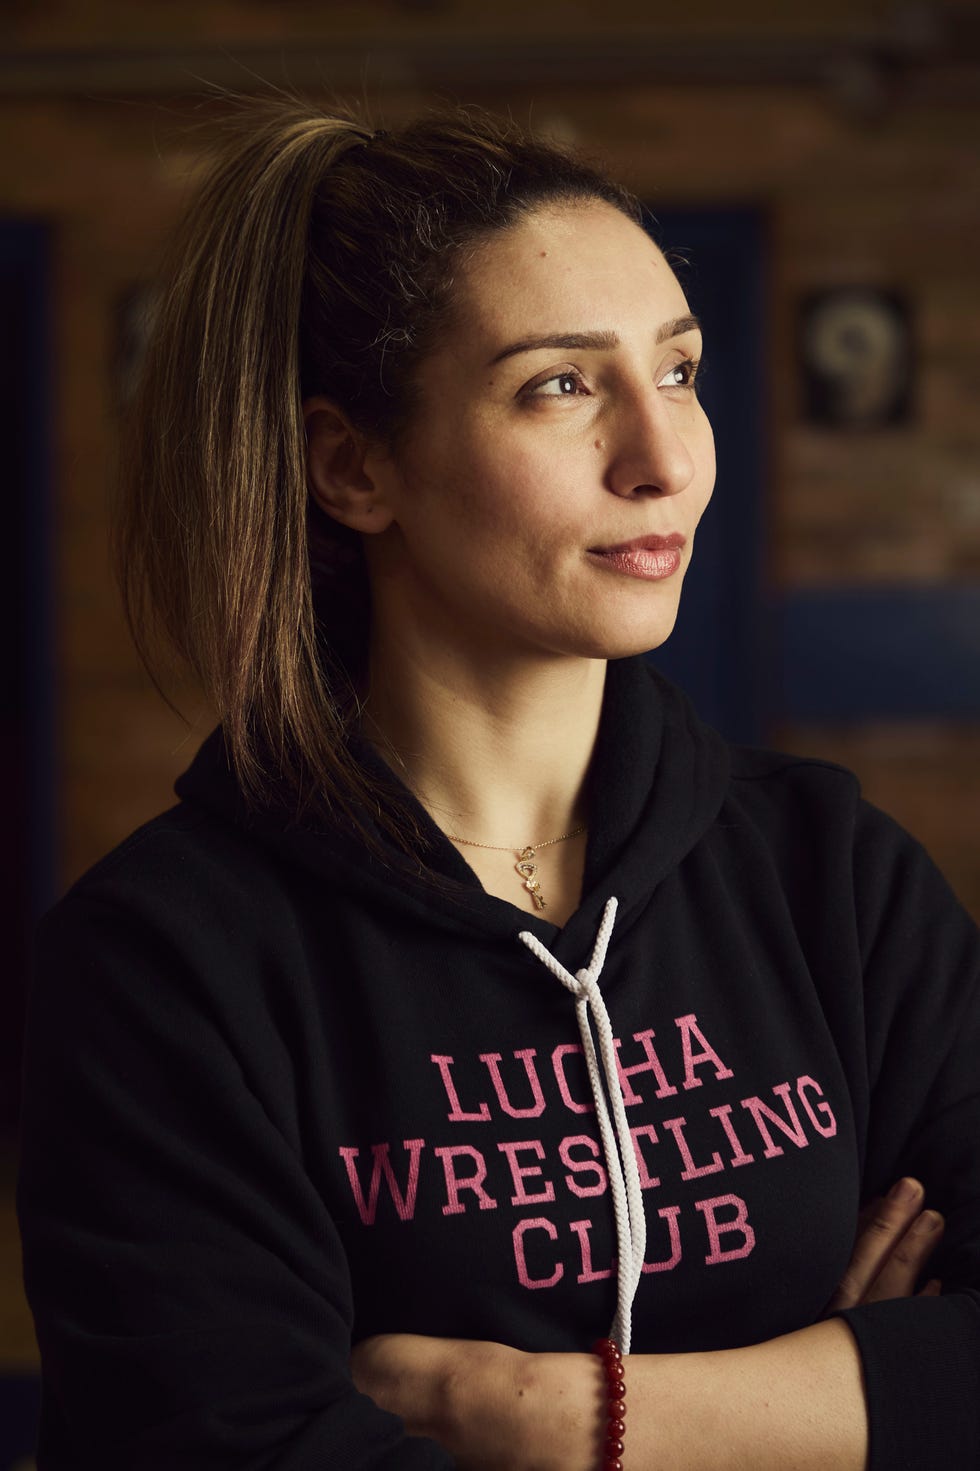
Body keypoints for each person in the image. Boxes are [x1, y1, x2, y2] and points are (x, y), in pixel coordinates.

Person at [17, 103, 980, 1470]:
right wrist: (836, 1408)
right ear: (355, 467)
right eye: (560, 387)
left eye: (682, 371)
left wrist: (545, 1419)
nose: (665, 460)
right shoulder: (170, 963)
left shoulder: (834, 874)